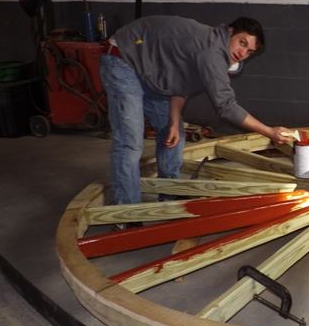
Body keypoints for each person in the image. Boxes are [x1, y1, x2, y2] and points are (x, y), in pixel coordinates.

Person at [100, 15, 291, 205]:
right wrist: (269, 132)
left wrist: (174, 122)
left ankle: (170, 193)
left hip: (148, 66)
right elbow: (226, 106)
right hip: (123, 57)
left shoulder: (215, 49)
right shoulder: (212, 51)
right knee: (130, 142)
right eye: (242, 43)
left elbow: (180, 85)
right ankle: (126, 210)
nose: (242, 53)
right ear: (230, 32)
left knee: (174, 132)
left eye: (249, 51)